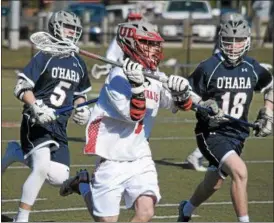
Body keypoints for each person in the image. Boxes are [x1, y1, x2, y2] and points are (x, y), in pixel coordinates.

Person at [60, 20, 192, 222]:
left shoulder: (155, 76)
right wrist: (137, 86)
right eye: (147, 43)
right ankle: (84, 184)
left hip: (140, 156)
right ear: (130, 44)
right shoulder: (117, 78)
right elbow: (134, 115)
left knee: (146, 211)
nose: (154, 49)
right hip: (112, 157)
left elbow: (181, 105)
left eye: (155, 44)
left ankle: (85, 184)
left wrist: (182, 92)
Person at [177, 14, 273, 222]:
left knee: (214, 182)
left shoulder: (252, 67)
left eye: (238, 40)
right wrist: (202, 106)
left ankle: (186, 210)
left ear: (246, 41)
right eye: (228, 40)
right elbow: (184, 98)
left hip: (237, 134)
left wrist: (268, 114)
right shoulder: (208, 67)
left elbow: (270, 86)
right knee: (240, 171)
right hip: (211, 132)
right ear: (221, 40)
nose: (233, 46)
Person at [1, 11, 92, 222]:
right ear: (56, 28)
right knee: (41, 167)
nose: (72, 32)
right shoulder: (44, 56)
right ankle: (21, 218)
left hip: (59, 125)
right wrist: (37, 107)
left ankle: (15, 152)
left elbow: (80, 95)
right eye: (68, 27)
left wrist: (82, 109)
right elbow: (21, 87)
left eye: (74, 29)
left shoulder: (78, 62)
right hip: (36, 120)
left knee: (59, 177)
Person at [184, 12, 246, 172]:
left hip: (218, 87)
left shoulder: (223, 40)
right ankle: (199, 156)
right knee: (220, 128)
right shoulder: (224, 46)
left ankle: (210, 159)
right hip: (217, 90)